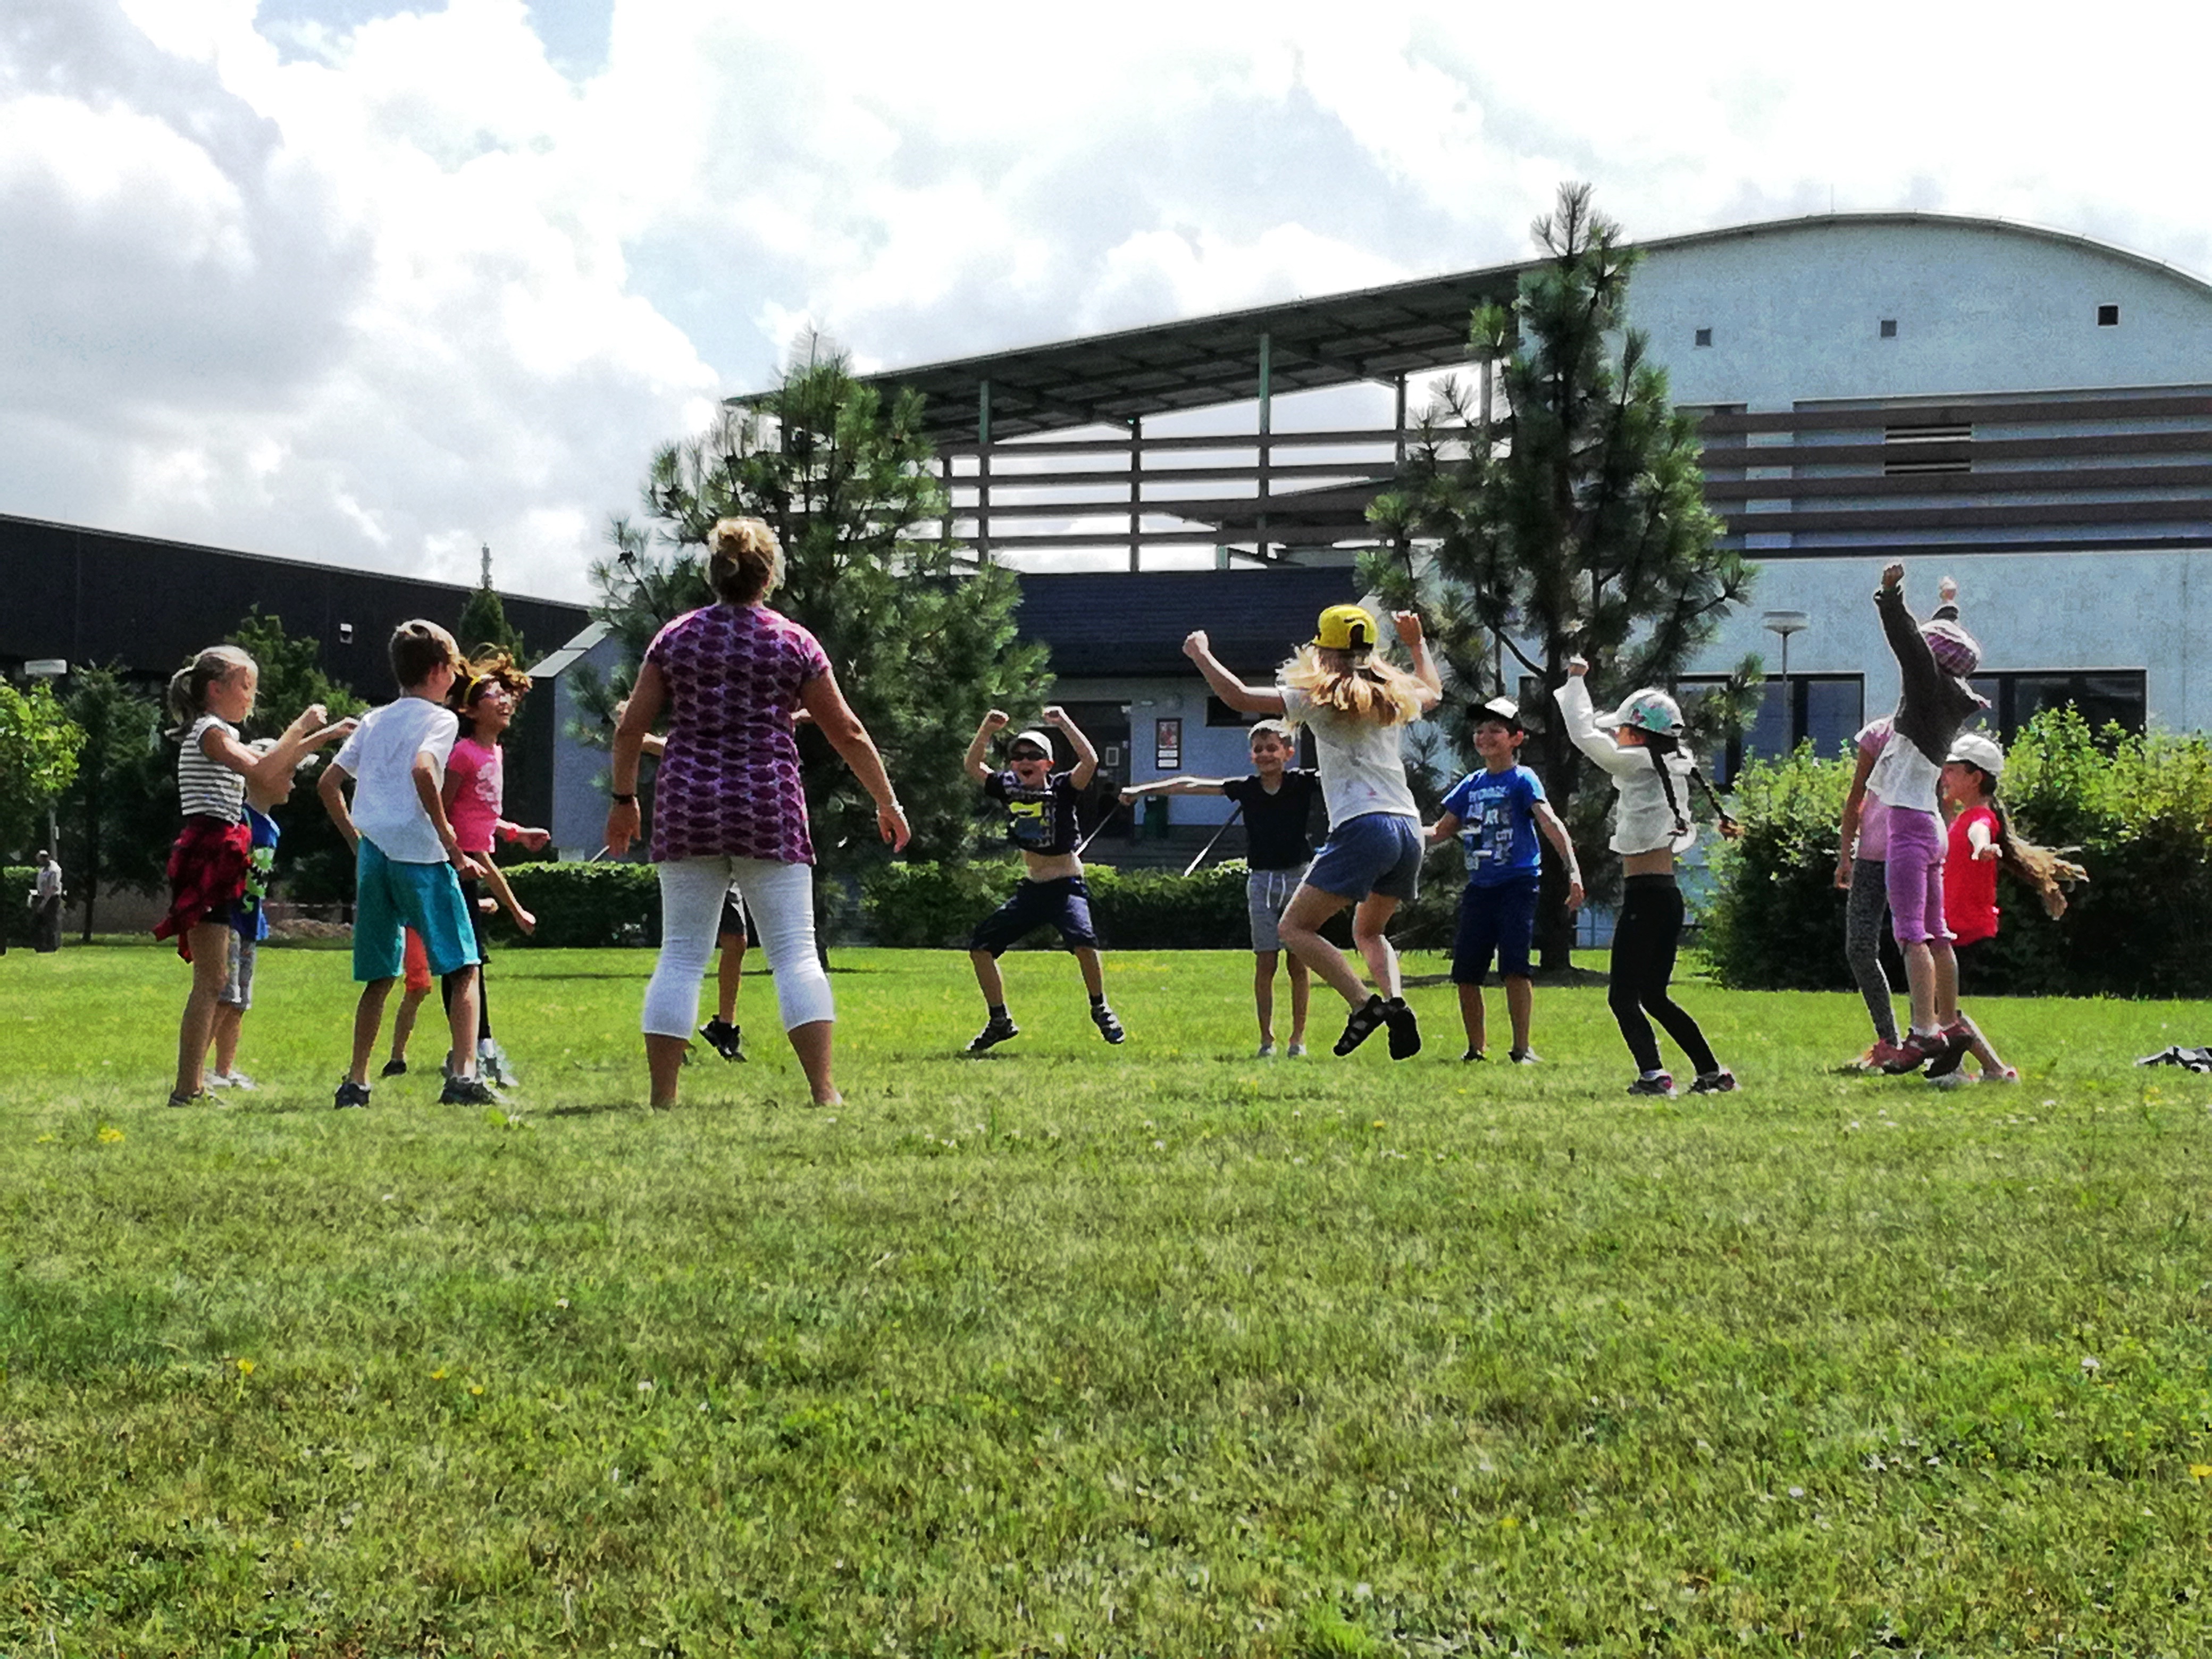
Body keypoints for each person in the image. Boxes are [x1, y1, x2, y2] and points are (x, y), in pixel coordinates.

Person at [606, 516, 908, 1109]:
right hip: (767, 802)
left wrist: (623, 800)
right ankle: (823, 1092)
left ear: (714, 573)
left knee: (681, 954)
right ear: (768, 576)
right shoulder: (792, 640)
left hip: (686, 801)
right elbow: (844, 730)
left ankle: (663, 1099)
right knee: (794, 951)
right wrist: (886, 799)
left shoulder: (675, 637)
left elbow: (630, 727)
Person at [1182, 605, 1440, 1060]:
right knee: (1369, 931)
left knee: (1294, 928)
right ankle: (1397, 1003)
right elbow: (1433, 692)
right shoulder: (1393, 694)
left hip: (1365, 825)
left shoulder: (1318, 696)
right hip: (1407, 828)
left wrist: (1201, 654)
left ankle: (1365, 1005)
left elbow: (1238, 697)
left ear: (1321, 649)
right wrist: (1417, 644)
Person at [156, 644, 345, 1107]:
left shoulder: (218, 730)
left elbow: (273, 766)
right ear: (215, 689)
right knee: (210, 980)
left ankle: (192, 1086)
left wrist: (323, 737)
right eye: (246, 686)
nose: (251, 697)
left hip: (222, 852)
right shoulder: (210, 731)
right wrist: (302, 725)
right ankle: (188, 1088)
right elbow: (263, 767)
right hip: (209, 851)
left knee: (216, 977)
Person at [319, 619, 494, 1109]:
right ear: (439, 671)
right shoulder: (441, 721)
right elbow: (423, 770)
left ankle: (356, 1082)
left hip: (375, 854)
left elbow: (328, 784)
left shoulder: (374, 720)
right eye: (455, 668)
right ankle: (463, 1076)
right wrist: (452, 842)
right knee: (463, 966)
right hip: (421, 854)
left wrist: (358, 841)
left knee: (380, 973)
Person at [1556, 656, 1737, 1097]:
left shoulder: (1636, 763)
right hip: (1667, 897)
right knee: (1654, 994)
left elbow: (1582, 734)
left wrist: (1577, 681)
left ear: (1635, 735)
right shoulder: (1671, 764)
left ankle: (1654, 1075)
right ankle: (1712, 1072)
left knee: (1622, 997)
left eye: (1620, 729)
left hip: (1644, 899)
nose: (1614, 735)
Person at [1120, 718, 1325, 1057]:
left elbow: (1347, 774)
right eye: (1259, 749)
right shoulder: (1245, 788)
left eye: (1272, 748)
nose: (1265, 755)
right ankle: (1266, 1041)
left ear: (1288, 753)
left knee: (1298, 963)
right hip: (1260, 880)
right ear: (1251, 756)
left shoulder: (1303, 783)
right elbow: (1190, 785)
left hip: (1298, 877)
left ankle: (1297, 1040)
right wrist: (1141, 791)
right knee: (1265, 961)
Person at [1863, 565, 1987, 1074]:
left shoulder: (1924, 688)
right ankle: (1951, 1021)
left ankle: (1923, 1031)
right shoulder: (1952, 695)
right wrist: (1949, 603)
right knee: (1938, 933)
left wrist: (1892, 596)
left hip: (1910, 827)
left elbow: (1911, 644)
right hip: (1932, 826)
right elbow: (1942, 644)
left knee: (1911, 933)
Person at [1428, 696, 1584, 1064]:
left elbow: (1550, 822)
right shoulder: (1470, 785)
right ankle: (1475, 1049)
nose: (1484, 736)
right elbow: (1439, 832)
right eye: (1479, 731)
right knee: (1466, 972)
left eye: (1495, 730)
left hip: (1518, 884)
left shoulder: (1523, 779)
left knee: (1515, 966)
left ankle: (1522, 1048)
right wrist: (1393, 831)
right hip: (1479, 888)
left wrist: (1572, 869)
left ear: (1516, 738)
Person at [962, 707, 1125, 1052]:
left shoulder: (1064, 788)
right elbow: (973, 767)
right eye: (1018, 756)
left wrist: (1064, 722)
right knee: (980, 949)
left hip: (1066, 887)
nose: (1024, 761)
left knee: (1084, 943)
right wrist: (986, 730)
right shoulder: (1007, 787)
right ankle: (999, 1020)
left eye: (1034, 756)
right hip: (1032, 889)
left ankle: (1100, 1007)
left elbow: (1090, 760)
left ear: (1048, 764)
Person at [1926, 731, 2084, 1085]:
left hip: (1961, 924)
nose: (1944, 776)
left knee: (1940, 1005)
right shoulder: (1963, 816)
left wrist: (1983, 848)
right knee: (1939, 1004)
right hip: (1953, 922)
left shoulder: (1980, 820)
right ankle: (1996, 1071)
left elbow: (1979, 834)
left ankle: (1956, 1070)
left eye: (1952, 770)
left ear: (1975, 778)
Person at [440, 648, 551, 1087]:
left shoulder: (494, 753)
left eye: (506, 693)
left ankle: (469, 1049)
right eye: (492, 693)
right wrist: (515, 908)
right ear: (469, 709)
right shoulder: (464, 754)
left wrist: (514, 833)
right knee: (467, 963)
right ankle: (478, 1050)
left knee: (468, 963)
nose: (504, 699)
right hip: (457, 867)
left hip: (473, 861)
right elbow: (443, 812)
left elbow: (480, 818)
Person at [625, 703, 753, 1063]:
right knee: (685, 953)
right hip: (700, 842)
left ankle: (723, 1026)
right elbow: (652, 743)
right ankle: (672, 1035)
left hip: (732, 837)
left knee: (736, 941)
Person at [1834, 715, 1907, 1070]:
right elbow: (1857, 794)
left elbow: (1944, 797)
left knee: (1917, 944)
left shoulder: (1934, 730)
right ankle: (1889, 1040)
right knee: (1859, 947)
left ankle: (1926, 1037)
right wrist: (1846, 852)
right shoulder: (1879, 734)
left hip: (1913, 854)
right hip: (1871, 857)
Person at [380, 929, 436, 1077]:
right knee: (418, 986)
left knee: (460, 978)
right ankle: (397, 1058)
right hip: (412, 924)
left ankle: (465, 1052)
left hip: (438, 919)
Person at [31, 851, 63, 952]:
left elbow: (53, 888)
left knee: (50, 923)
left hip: (51, 899)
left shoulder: (54, 870)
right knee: (37, 922)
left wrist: (44, 903)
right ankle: (40, 946)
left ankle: (51, 947)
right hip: (42, 896)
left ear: (46, 859)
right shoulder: (42, 869)